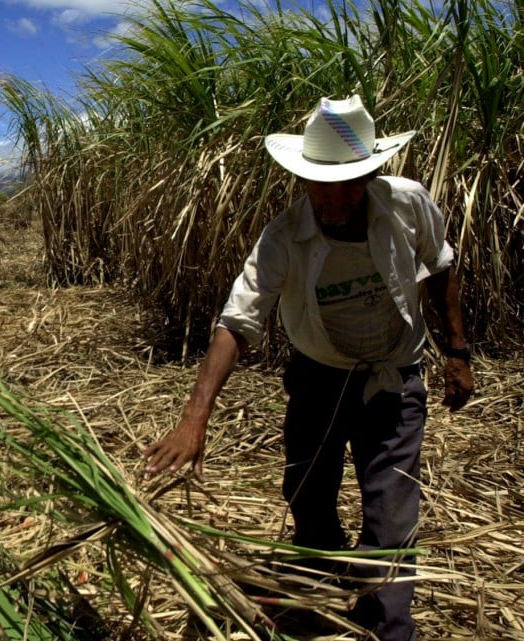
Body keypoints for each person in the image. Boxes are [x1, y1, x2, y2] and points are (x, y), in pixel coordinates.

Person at [143, 95, 474, 640]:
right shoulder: (284, 237)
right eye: (323, 184)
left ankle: (385, 626)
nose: (337, 197)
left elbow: (440, 267)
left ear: (372, 174)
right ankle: (316, 595)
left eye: (351, 182)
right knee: (307, 496)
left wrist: (457, 353)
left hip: (393, 376)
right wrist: (193, 418)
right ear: (303, 180)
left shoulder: (408, 204)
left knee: (391, 513)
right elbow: (236, 322)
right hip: (319, 377)